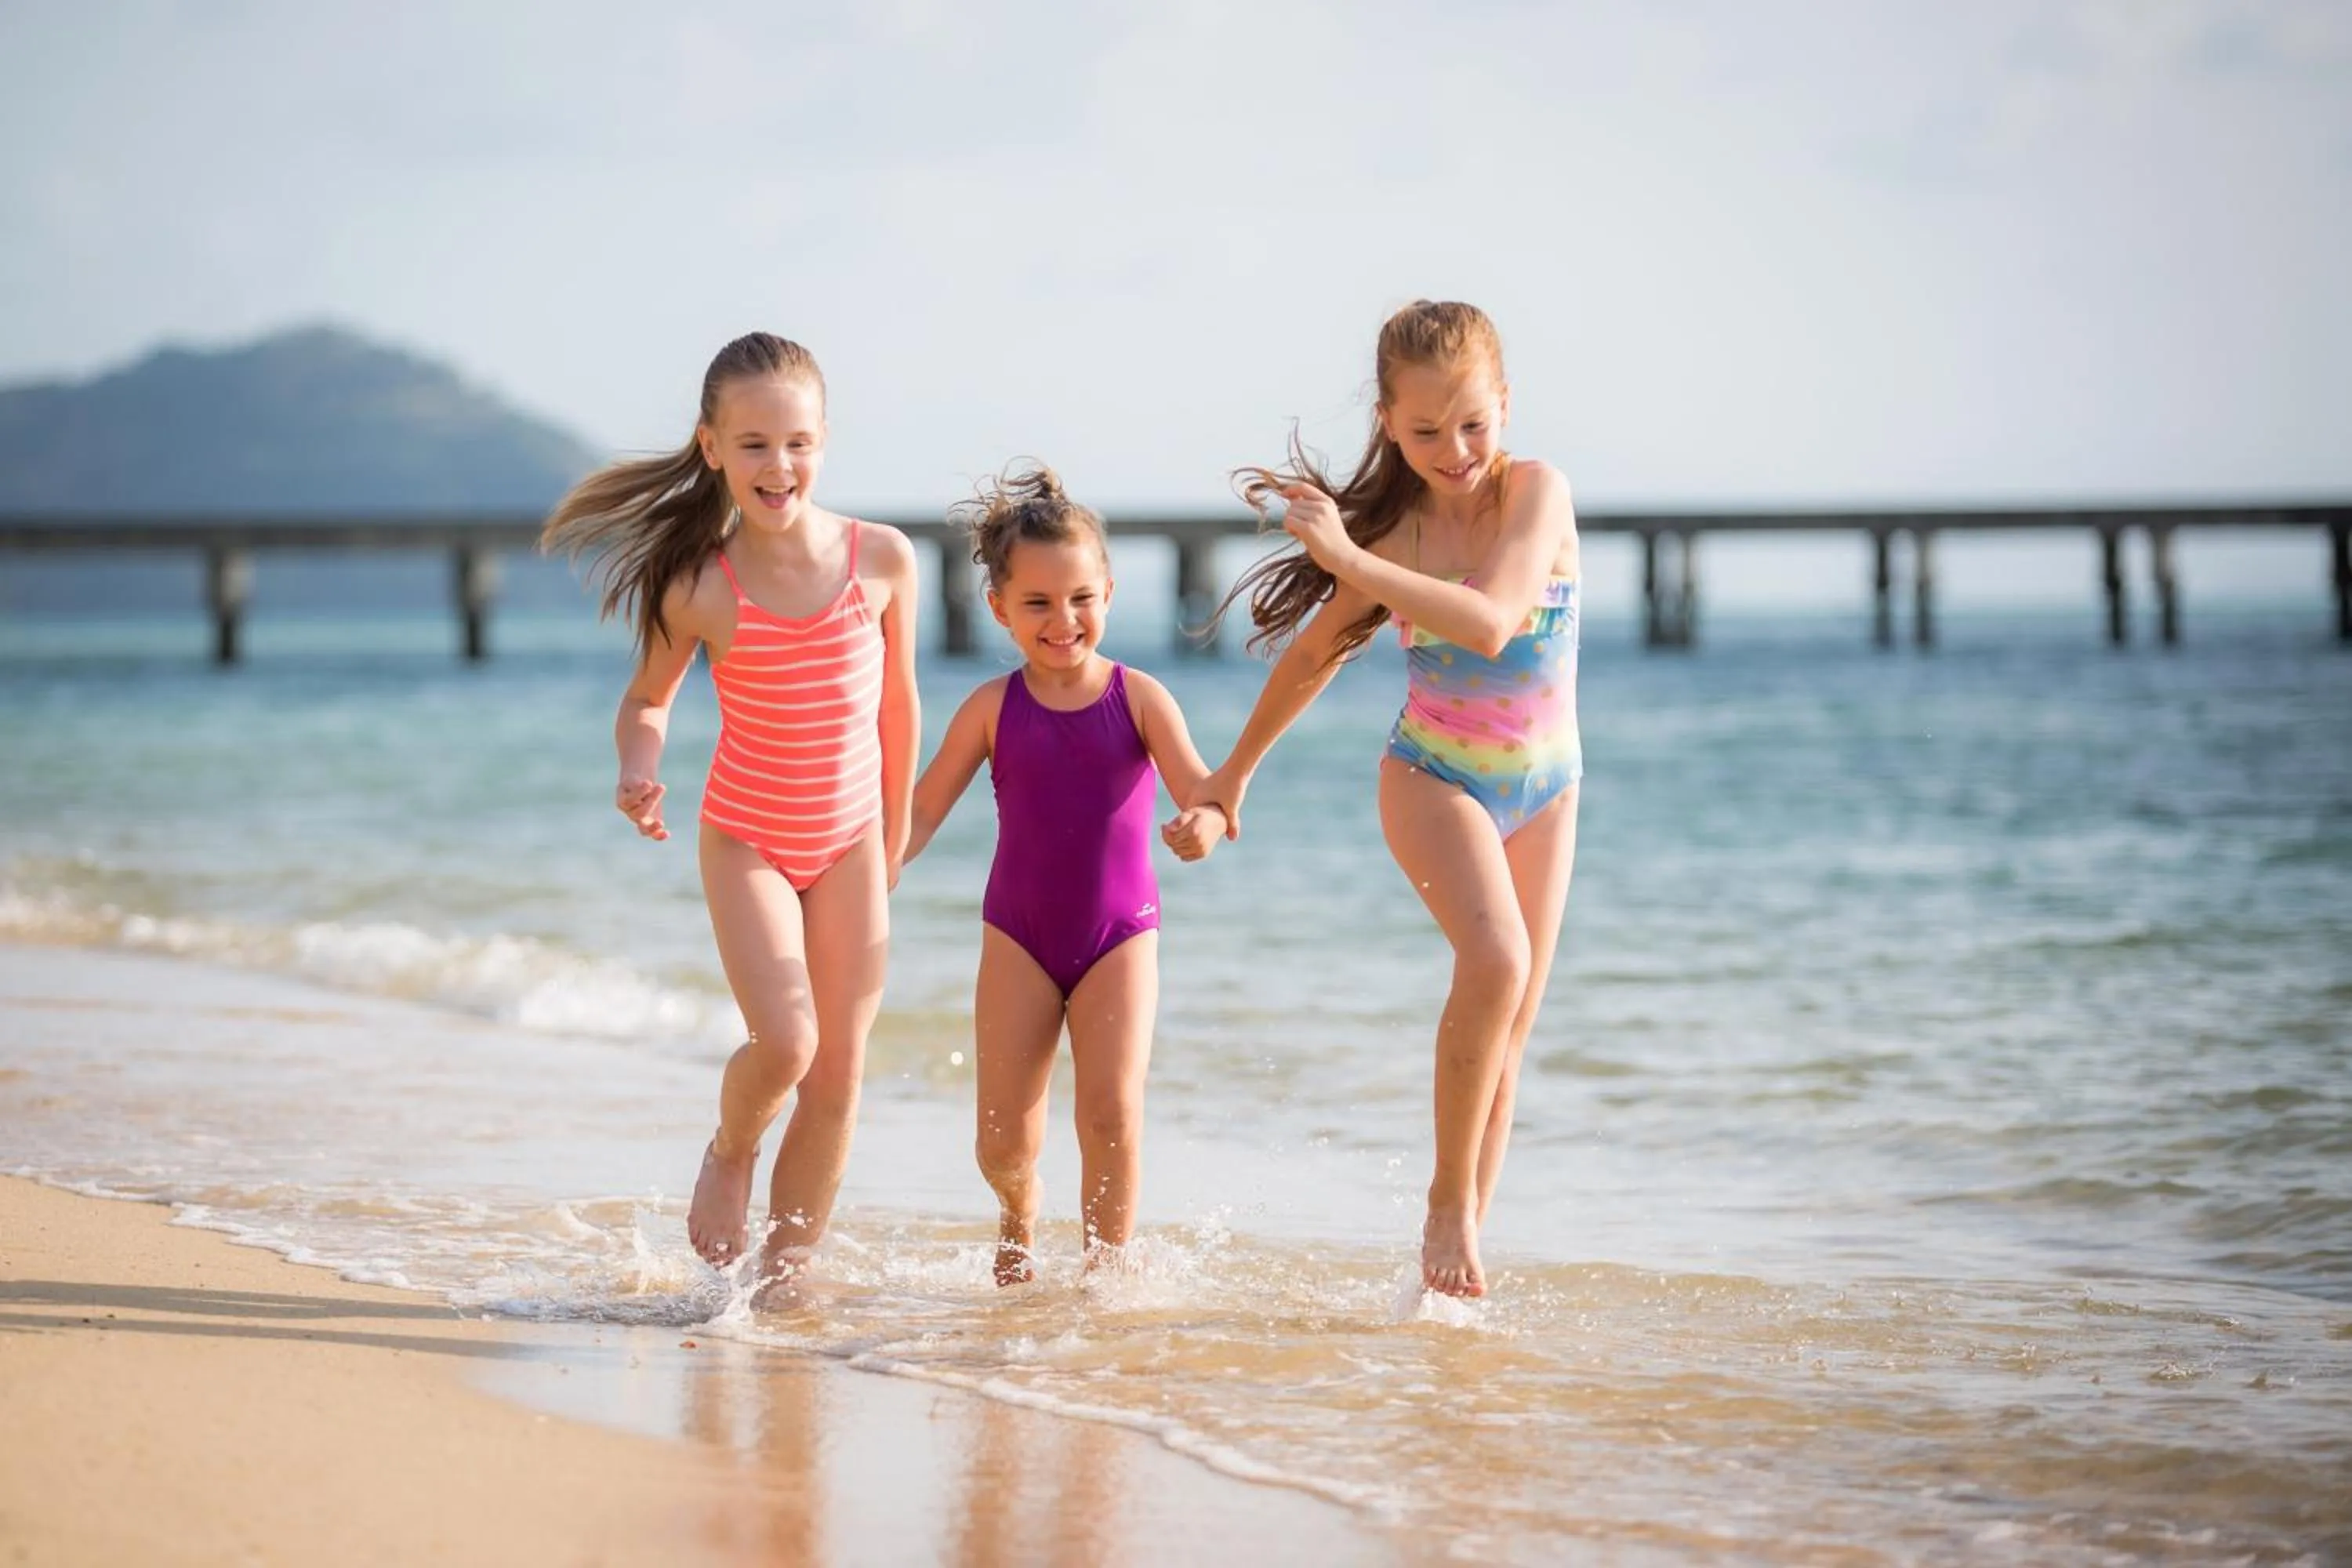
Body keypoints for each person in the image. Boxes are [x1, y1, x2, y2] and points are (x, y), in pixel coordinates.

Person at [1196, 300, 1581, 1299]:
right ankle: (1448, 1202)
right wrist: (1233, 773)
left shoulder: (1538, 494)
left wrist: (1350, 561)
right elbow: (1314, 657)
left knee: (1512, 1028)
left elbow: (1495, 620)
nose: (1453, 451)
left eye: (1473, 424)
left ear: (1506, 404)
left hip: (1547, 788)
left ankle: (1451, 1290)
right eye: (1423, 432)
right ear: (1386, 423)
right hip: (1431, 775)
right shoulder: (1397, 535)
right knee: (1495, 960)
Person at [540, 332, 920, 1290]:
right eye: (752, 444)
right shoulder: (702, 583)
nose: (777, 465)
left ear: (824, 439)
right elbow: (648, 700)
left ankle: (778, 1288)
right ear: (711, 447)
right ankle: (731, 1144)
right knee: (789, 1042)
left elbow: (900, 703)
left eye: (796, 442)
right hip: (746, 834)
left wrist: (897, 827)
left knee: (838, 1073)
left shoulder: (883, 558)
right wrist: (639, 767)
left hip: (851, 841)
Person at [905, 463, 1227, 1284]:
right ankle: (1019, 1206)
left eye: (1081, 597)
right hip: (1018, 935)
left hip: (1122, 935)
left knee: (1111, 1112)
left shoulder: (1141, 696)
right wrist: (869, 871)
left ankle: (1104, 1277)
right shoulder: (988, 706)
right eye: (1039, 602)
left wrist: (1207, 821)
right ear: (1000, 608)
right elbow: (922, 809)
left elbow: (1203, 787)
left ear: (1110, 592)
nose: (1063, 619)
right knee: (1001, 1138)